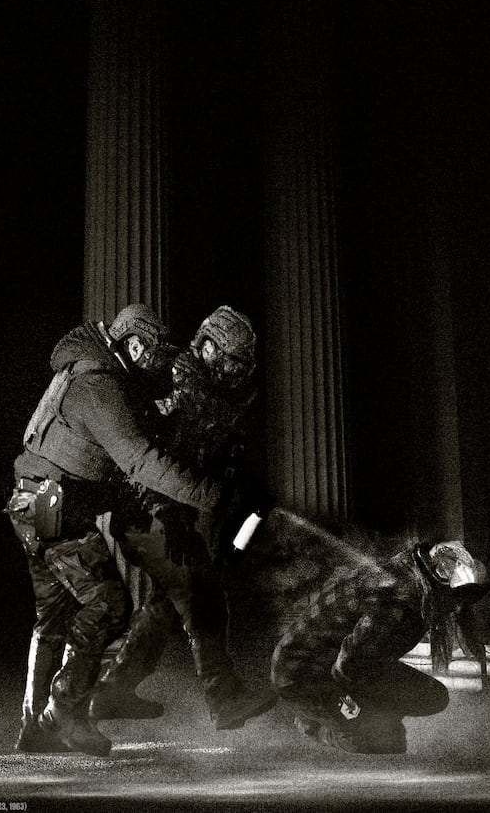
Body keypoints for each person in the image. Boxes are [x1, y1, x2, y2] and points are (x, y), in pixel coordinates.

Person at [5, 302, 224, 757]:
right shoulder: (98, 386)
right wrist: (208, 494)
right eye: (155, 354)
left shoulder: (95, 373)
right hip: (51, 501)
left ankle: (37, 729)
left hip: (39, 498)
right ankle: (62, 710)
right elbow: (140, 460)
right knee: (107, 604)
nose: (159, 365)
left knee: (55, 616)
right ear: (136, 344)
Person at [90, 305, 278, 731]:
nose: (237, 372)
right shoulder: (171, 374)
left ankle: (110, 692)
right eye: (231, 361)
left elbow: (219, 454)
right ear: (209, 347)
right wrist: (166, 511)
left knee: (164, 607)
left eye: (241, 365)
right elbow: (140, 451)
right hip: (145, 510)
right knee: (203, 596)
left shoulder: (218, 393)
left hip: (172, 511)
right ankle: (224, 699)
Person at [271, 538, 490, 754]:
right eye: (458, 598)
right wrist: (365, 712)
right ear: (439, 585)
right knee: (382, 740)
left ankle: (351, 720)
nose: (458, 607)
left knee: (426, 700)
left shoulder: (407, 578)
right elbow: (350, 664)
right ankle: (316, 728)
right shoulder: (396, 602)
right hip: (304, 678)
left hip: (332, 668)